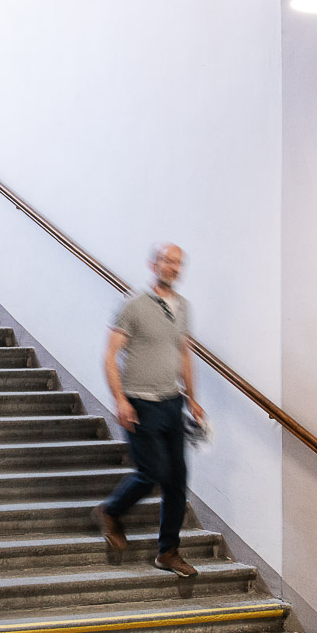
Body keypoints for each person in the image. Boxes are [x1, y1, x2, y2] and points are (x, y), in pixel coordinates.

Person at [91, 242, 205, 577]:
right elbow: (110, 355)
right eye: (168, 261)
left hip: (172, 403)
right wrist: (120, 400)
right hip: (140, 402)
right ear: (153, 264)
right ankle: (111, 511)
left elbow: (183, 352)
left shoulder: (183, 307)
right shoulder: (133, 305)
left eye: (179, 263)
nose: (174, 268)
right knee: (152, 472)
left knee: (178, 480)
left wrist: (192, 397)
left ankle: (168, 552)